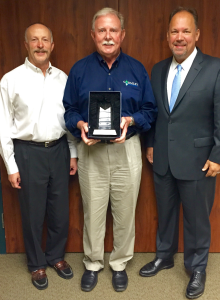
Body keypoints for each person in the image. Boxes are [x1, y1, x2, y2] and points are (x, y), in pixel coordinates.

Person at [139, 7, 220, 299]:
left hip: (199, 161)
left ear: (197, 35)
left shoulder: (218, 68)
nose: (179, 38)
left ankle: (197, 268)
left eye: (185, 31)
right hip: (163, 159)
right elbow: (157, 114)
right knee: (165, 214)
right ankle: (164, 256)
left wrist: (219, 156)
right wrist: (151, 143)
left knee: (196, 219)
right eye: (174, 32)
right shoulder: (157, 69)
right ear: (168, 36)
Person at [63, 7, 157, 293]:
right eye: (102, 30)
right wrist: (79, 124)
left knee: (126, 212)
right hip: (91, 150)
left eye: (113, 30)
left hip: (126, 150)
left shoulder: (136, 69)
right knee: (92, 210)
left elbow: (150, 111)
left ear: (122, 35)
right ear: (93, 35)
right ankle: (92, 263)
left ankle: (118, 263)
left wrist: (131, 121)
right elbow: (69, 110)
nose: (108, 36)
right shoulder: (79, 70)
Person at [0, 23, 78, 290]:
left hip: (59, 150)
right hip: (28, 153)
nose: (40, 45)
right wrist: (11, 164)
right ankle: (36, 264)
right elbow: (2, 126)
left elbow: (69, 119)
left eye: (45, 40)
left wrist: (74, 153)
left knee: (59, 212)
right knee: (33, 214)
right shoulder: (11, 80)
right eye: (35, 40)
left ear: (52, 45)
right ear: (26, 45)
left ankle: (56, 257)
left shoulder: (63, 78)